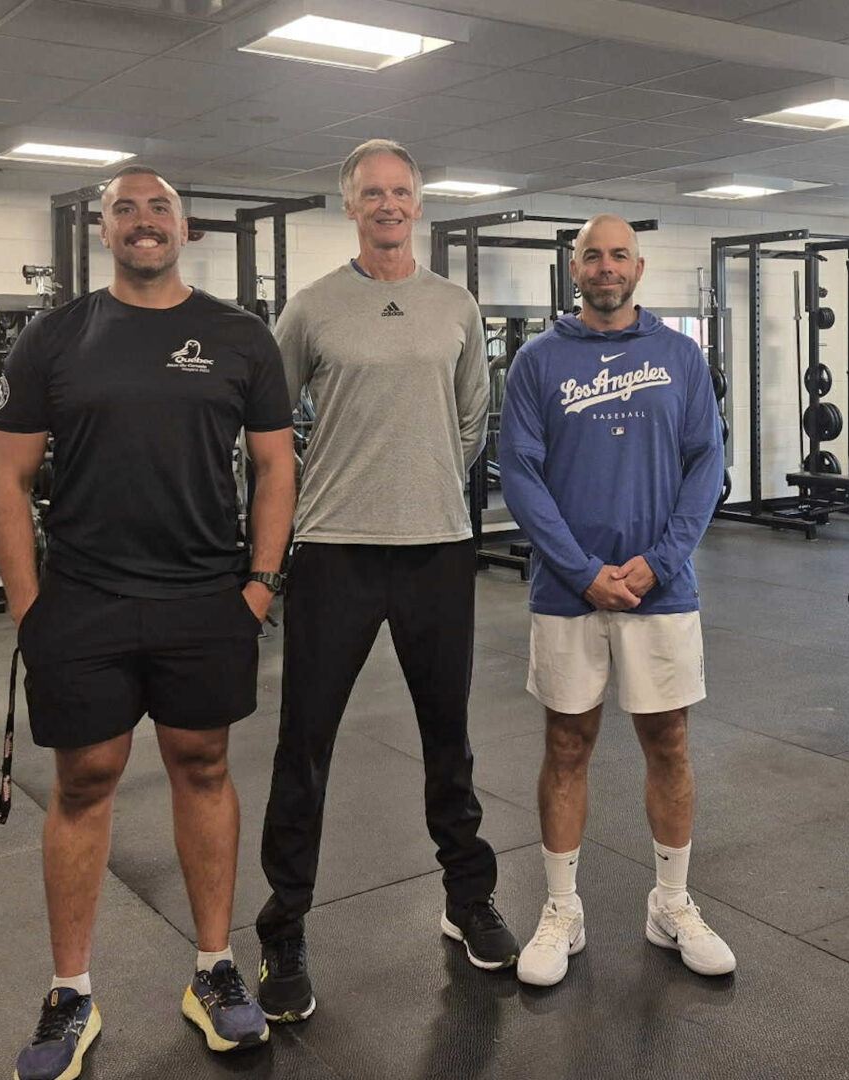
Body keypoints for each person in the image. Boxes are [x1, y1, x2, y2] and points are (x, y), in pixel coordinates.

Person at [0, 165, 297, 1080]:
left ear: (184, 227)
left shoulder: (240, 336)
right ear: (104, 230)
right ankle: (70, 990)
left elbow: (275, 467)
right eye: (124, 208)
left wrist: (260, 586)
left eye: (157, 206)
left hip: (207, 597)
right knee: (84, 779)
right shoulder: (55, 337)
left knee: (203, 765)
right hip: (82, 598)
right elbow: (6, 480)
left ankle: (212, 970)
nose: (142, 220)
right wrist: (27, 607)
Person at [255, 138, 517, 1020]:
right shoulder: (313, 308)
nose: (387, 205)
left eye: (400, 192)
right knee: (306, 744)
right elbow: (264, 420)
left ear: (418, 201)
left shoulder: (455, 305)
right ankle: (284, 925)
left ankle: (466, 899)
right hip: (334, 548)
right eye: (372, 193)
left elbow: (474, 414)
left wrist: (431, 476)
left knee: (449, 738)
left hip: (438, 545)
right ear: (349, 204)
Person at [497, 214, 734, 987]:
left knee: (668, 741)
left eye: (618, 255)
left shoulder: (679, 356)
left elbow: (706, 465)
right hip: (568, 595)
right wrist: (579, 570)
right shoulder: (537, 362)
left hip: (660, 593)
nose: (606, 267)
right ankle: (561, 909)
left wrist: (659, 565)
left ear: (639, 266)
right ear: (575, 269)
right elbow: (521, 475)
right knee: (567, 745)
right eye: (593, 255)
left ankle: (670, 903)